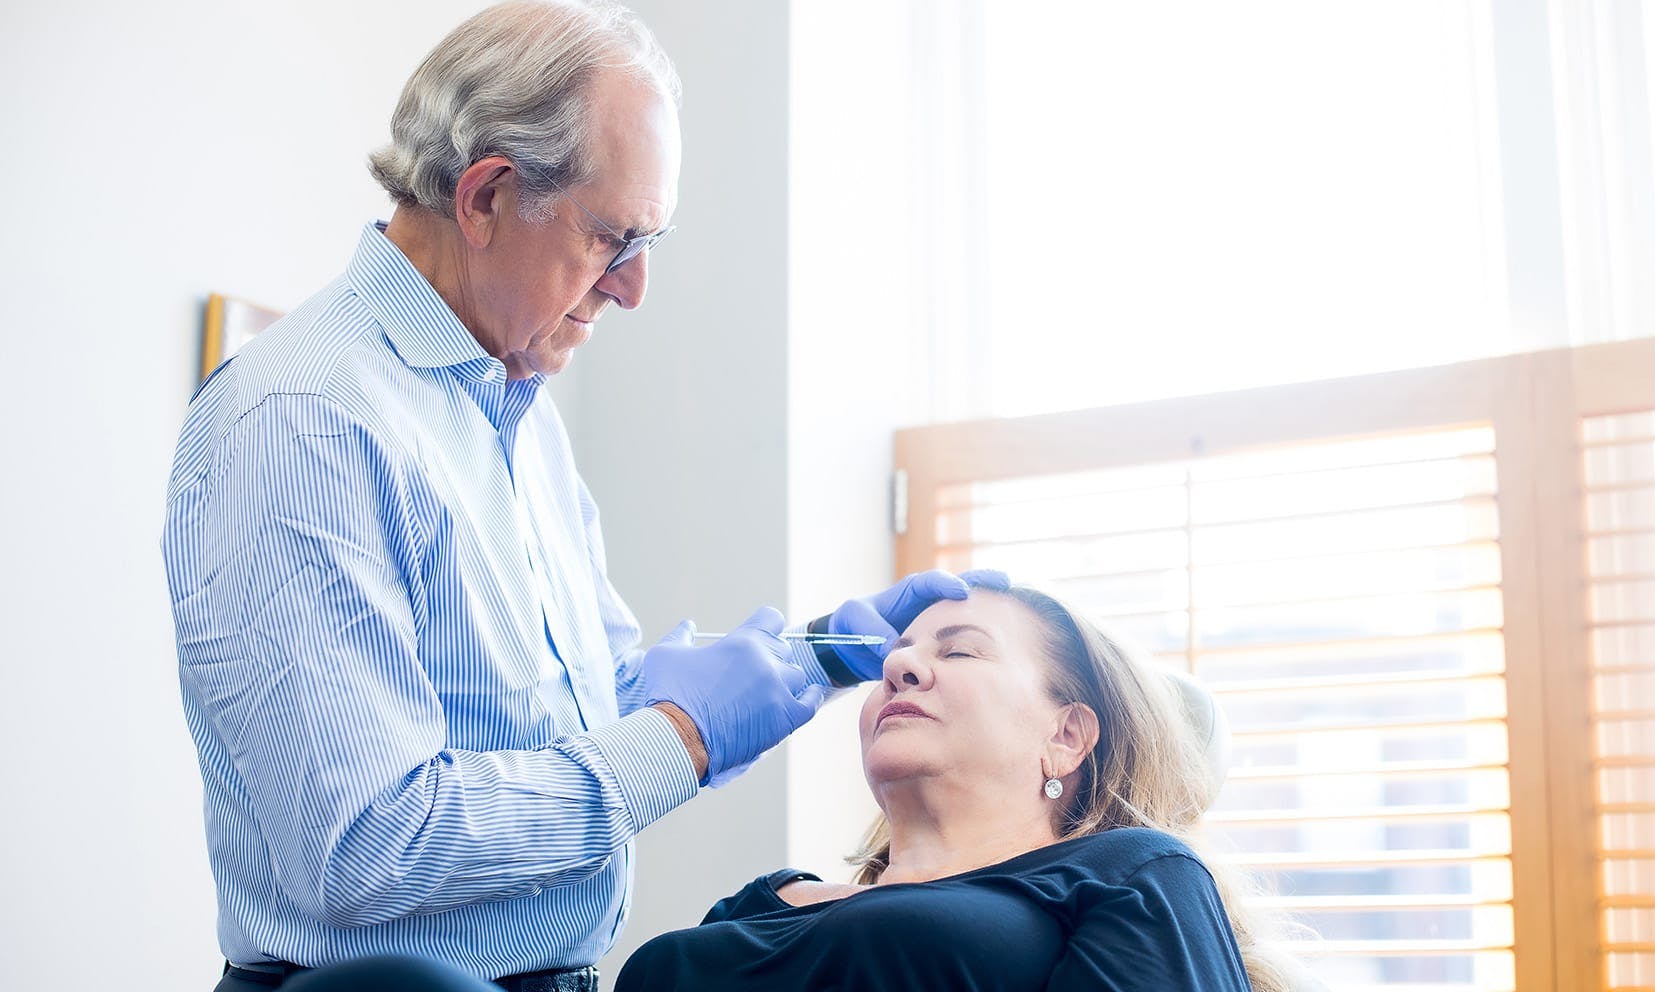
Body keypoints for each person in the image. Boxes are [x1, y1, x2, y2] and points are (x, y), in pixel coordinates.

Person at [161, 3, 996, 989]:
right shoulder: (304, 421)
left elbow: (579, 732)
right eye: (612, 236)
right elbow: (365, 845)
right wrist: (683, 734)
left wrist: (805, 659)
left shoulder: (517, 409)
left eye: (653, 238)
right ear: (485, 197)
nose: (636, 286)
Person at [613, 585, 1304, 992]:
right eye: (893, 656)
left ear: (1067, 734)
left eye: (960, 650)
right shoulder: (756, 904)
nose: (901, 666)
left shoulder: (1135, 874)